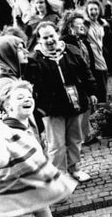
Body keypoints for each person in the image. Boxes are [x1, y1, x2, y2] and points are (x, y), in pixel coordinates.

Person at [0, 80, 77, 217]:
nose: (27, 99)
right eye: (19, 98)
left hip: (33, 193)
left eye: (29, 96)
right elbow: (1, 160)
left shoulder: (27, 128)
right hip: (9, 205)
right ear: (7, 106)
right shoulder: (4, 132)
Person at [26, 22, 98, 183]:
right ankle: (59, 174)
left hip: (74, 103)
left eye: (52, 36)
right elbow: (32, 86)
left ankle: (75, 168)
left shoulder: (71, 50)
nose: (50, 40)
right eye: (45, 38)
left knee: (74, 139)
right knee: (56, 144)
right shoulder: (34, 60)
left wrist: (92, 91)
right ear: (39, 39)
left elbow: (85, 72)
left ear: (57, 34)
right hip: (51, 108)